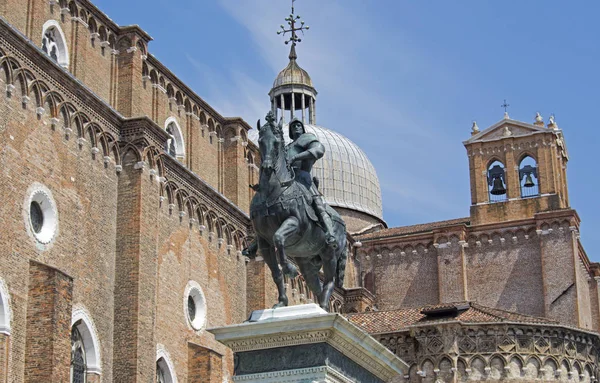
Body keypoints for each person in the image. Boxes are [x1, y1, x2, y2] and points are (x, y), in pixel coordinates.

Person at [286, 118, 336, 247]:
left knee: (318, 205)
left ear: (302, 128)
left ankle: (330, 233)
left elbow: (318, 150)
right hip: (288, 180)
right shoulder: (287, 147)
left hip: (303, 178)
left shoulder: (308, 138)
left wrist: (296, 157)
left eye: (298, 125)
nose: (296, 127)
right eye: (293, 126)